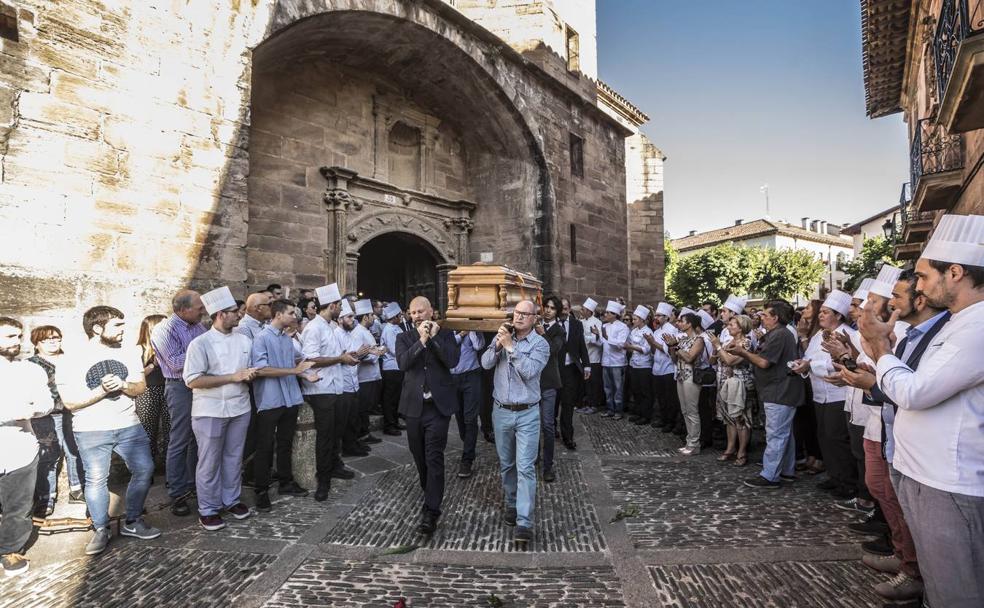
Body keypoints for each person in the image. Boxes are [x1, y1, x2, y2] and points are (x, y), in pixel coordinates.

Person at [857, 214, 984, 608]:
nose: (921, 287)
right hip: (926, 473)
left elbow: (915, 391)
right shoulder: (960, 322)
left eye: (926, 276)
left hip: (949, 479)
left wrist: (880, 349)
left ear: (956, 273)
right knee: (939, 581)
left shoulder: (977, 327)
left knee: (956, 591)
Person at [838, 269, 944, 602]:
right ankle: (905, 559)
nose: (869, 306)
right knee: (888, 495)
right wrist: (870, 373)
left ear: (920, 299)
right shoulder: (912, 333)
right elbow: (896, 379)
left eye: (895, 297)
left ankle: (913, 572)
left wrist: (875, 373)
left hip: (914, 438)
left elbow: (913, 389)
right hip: (891, 427)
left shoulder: (929, 336)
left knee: (903, 505)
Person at [58, 306, 160, 555]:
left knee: (145, 470)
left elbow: (140, 388)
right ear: (96, 328)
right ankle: (101, 528)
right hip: (91, 429)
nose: (124, 330)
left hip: (129, 425)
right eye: (117, 326)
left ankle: (133, 521)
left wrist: (124, 384)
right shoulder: (71, 359)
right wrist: (101, 391)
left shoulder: (128, 353)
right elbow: (70, 402)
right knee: (95, 480)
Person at [182, 287, 256, 531]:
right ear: (221, 315)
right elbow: (193, 380)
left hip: (240, 406)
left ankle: (231, 499)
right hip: (209, 410)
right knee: (209, 461)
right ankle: (208, 508)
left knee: (234, 457)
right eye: (235, 312)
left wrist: (249, 376)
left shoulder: (245, 340)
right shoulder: (199, 344)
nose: (239, 316)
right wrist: (232, 377)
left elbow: (247, 370)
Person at [481, 300, 549, 547]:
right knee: (507, 463)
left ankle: (524, 521)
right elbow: (485, 364)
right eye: (516, 312)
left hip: (527, 413)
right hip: (501, 411)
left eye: (524, 314)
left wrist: (511, 348)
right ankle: (511, 503)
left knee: (525, 467)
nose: (518, 317)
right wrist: (499, 345)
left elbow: (530, 371)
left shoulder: (541, 344)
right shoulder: (503, 335)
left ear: (534, 318)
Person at [396, 296, 460, 536]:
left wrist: (432, 338)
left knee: (434, 456)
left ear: (431, 312)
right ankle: (429, 489)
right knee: (419, 455)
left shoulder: (444, 334)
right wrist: (421, 340)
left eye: (421, 311)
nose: (417, 316)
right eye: (413, 313)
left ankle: (431, 510)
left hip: (437, 408)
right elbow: (403, 363)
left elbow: (452, 361)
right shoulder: (404, 337)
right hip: (413, 408)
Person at [250, 298, 318, 512]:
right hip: (270, 401)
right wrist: (294, 372)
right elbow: (260, 369)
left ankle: (286, 482)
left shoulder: (287, 339)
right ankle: (261, 490)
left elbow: (296, 362)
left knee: (285, 443)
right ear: (278, 314)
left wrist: (306, 375)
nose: (295, 316)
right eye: (291, 312)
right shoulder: (261, 338)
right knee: (265, 446)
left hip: (290, 398)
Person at [726, 301, 803, 487]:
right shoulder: (778, 334)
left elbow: (764, 362)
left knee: (776, 433)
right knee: (785, 433)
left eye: (766, 315)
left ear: (776, 317)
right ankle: (786, 469)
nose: (762, 318)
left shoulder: (779, 334)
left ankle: (770, 475)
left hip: (779, 390)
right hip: (777, 389)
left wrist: (743, 353)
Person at [1, 317, 55, 576]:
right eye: (10, 336)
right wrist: (11, 411)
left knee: (19, 505)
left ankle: (10, 550)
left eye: (18, 336)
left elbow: (45, 403)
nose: (17, 341)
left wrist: (31, 410)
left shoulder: (31, 370)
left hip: (20, 447)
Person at [791, 289, 857, 499]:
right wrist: (804, 364)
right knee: (824, 437)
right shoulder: (818, 335)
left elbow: (839, 363)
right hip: (819, 394)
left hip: (839, 394)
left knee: (837, 438)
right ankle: (835, 475)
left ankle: (848, 483)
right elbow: (810, 358)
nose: (821, 315)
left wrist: (810, 365)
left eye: (826, 312)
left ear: (838, 316)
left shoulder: (848, 334)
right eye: (822, 311)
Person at [301, 284, 359, 501]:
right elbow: (310, 359)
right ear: (333, 306)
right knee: (325, 437)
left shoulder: (330, 326)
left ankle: (335, 465)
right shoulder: (314, 328)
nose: (340, 311)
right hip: (320, 389)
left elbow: (335, 355)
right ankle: (322, 480)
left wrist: (347, 357)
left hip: (335, 387)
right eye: (339, 307)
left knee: (335, 432)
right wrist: (340, 359)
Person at [151, 290, 206, 517]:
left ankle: (194, 484)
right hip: (180, 387)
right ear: (182, 310)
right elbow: (174, 363)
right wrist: (205, 354)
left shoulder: (198, 327)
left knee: (197, 438)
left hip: (201, 384)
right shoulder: (164, 330)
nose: (203, 311)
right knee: (180, 439)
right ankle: (177, 492)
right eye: (198, 307)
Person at [26, 326, 75, 517]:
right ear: (37, 343)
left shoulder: (70, 360)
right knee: (49, 456)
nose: (54, 341)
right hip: (45, 416)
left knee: (74, 451)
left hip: (71, 411)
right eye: (47, 339)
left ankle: (77, 489)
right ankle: (46, 497)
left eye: (57, 337)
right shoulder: (31, 364)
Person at [711, 314, 756, 466]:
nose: (728, 327)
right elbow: (715, 360)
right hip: (724, 383)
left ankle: (742, 452)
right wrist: (715, 349)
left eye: (732, 325)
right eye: (728, 324)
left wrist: (718, 346)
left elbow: (730, 361)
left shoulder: (746, 343)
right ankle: (730, 449)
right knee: (729, 418)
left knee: (741, 418)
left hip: (741, 384)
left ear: (741, 327)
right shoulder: (728, 342)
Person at [666, 313, 707, 455]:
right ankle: (689, 440)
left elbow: (689, 357)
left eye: (681, 321)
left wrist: (676, 347)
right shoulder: (682, 339)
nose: (679, 323)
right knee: (684, 410)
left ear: (689, 324)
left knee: (692, 410)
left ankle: (695, 443)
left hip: (691, 376)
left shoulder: (699, 340)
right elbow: (674, 359)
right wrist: (671, 348)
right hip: (680, 375)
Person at [336, 300, 371, 457]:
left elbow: (354, 354)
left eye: (353, 317)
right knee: (346, 420)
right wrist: (358, 353)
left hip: (354, 381)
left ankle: (354, 443)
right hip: (343, 383)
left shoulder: (349, 334)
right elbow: (340, 358)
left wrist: (360, 354)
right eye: (349, 317)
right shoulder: (336, 335)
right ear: (340, 319)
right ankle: (348, 447)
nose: (353, 320)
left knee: (353, 418)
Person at [450, 326, 485, 479]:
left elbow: (478, 345)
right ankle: (468, 443)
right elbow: (446, 347)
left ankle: (467, 459)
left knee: (470, 418)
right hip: (453, 378)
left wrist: (471, 330)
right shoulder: (447, 329)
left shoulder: (475, 330)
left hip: (471, 375)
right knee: (460, 417)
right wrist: (460, 334)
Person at [536, 296, 565, 482]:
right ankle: (533, 458)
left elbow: (554, 350)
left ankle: (548, 466)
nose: (547, 310)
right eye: (546, 307)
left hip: (548, 383)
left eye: (552, 308)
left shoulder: (558, 330)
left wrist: (542, 333)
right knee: (530, 425)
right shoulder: (535, 324)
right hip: (531, 382)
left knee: (547, 425)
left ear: (557, 311)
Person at [135, 314, 169, 471]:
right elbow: (135, 376)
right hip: (147, 392)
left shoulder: (169, 346)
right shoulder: (138, 350)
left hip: (168, 389)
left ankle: (171, 468)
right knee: (148, 432)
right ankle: (146, 471)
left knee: (171, 430)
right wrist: (153, 364)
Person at [557, 298, 590, 449]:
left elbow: (582, 345)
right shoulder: (551, 324)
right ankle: (551, 427)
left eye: (565, 308)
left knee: (568, 404)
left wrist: (587, 365)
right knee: (553, 403)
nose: (563, 310)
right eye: (561, 308)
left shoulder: (577, 324)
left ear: (569, 309)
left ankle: (568, 436)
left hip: (570, 369)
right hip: (554, 369)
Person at [352, 299, 385, 447]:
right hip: (364, 377)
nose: (374, 318)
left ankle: (364, 433)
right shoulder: (358, 332)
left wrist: (377, 351)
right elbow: (358, 355)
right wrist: (376, 354)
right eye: (371, 315)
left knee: (367, 406)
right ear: (365, 317)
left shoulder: (366, 331)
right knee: (363, 407)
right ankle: (361, 434)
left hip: (372, 375)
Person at [646, 303, 681, 434]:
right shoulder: (656, 331)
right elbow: (654, 351)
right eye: (656, 315)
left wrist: (653, 342)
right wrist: (651, 343)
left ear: (666, 317)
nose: (656, 317)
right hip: (657, 368)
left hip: (668, 368)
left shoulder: (671, 330)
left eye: (659, 315)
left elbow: (668, 350)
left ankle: (670, 422)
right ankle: (663, 418)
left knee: (669, 398)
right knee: (660, 397)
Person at [594, 301, 629, 420]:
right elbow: (601, 344)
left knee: (618, 387)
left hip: (617, 362)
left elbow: (621, 344)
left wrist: (608, 337)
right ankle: (610, 409)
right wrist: (598, 336)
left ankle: (618, 410)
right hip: (606, 361)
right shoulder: (604, 326)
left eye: (608, 313)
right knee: (607, 387)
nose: (605, 315)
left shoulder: (622, 327)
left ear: (614, 314)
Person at [625, 305, 654, 426]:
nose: (633, 321)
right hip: (634, 364)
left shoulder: (648, 331)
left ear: (642, 320)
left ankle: (646, 415)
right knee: (636, 390)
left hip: (644, 365)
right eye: (633, 319)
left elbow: (646, 350)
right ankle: (638, 412)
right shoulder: (634, 331)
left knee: (645, 392)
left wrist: (630, 347)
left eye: (635, 319)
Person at [379, 303, 405, 436]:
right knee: (389, 398)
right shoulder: (388, 330)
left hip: (398, 366)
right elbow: (395, 350)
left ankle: (394, 421)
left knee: (396, 397)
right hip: (391, 368)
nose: (401, 317)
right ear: (394, 316)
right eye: (399, 315)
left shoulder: (397, 328)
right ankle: (389, 425)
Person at [578, 298, 604, 414]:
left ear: (589, 311)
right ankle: (587, 403)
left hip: (594, 358)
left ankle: (594, 405)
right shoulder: (581, 322)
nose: (581, 311)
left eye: (583, 310)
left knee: (594, 383)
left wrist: (585, 338)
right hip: (584, 358)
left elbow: (599, 340)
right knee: (585, 383)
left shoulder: (597, 323)